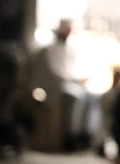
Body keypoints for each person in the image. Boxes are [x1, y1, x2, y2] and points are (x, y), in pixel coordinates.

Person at [29, 18, 96, 151]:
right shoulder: (50, 49)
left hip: (73, 82)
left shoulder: (70, 49)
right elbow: (56, 72)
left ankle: (85, 133)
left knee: (92, 97)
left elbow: (73, 68)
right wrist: (74, 79)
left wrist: (81, 78)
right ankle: (70, 136)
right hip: (57, 86)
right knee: (73, 97)